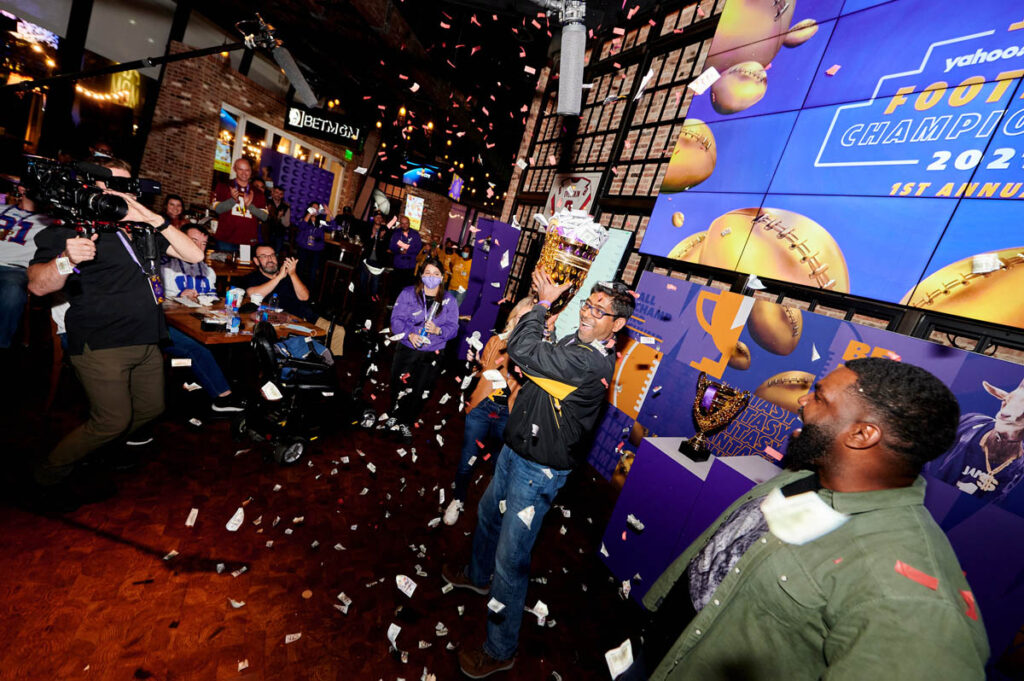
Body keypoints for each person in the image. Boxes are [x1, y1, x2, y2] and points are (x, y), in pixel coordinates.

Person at [633, 358, 989, 681]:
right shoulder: (812, 475)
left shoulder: (908, 595)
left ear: (862, 434)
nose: (803, 400)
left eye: (820, 396)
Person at [444, 274, 635, 678]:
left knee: (511, 561)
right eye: (588, 304)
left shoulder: (590, 362)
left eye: (600, 311)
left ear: (617, 324)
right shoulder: (577, 344)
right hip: (515, 452)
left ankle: (500, 649)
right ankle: (478, 578)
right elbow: (534, 365)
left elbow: (523, 351)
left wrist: (543, 305)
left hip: (537, 471)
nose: (588, 313)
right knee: (485, 516)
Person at [27, 157, 204, 510]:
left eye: (125, 185)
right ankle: (46, 476)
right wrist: (67, 260)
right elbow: (37, 286)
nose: (119, 193)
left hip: (147, 340)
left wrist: (154, 218)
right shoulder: (69, 229)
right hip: (102, 343)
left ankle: (93, 453)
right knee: (112, 420)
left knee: (152, 407)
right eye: (110, 184)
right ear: (91, 187)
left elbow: (194, 253)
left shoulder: (140, 229)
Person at [443, 297, 533, 526]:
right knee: (467, 460)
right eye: (521, 317)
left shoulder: (534, 353)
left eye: (530, 319)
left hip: (508, 414)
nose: (524, 322)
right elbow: (481, 371)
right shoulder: (496, 341)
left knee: (498, 466)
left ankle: (490, 511)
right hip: (483, 408)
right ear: (513, 318)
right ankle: (457, 499)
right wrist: (473, 363)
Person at [160, 225, 242, 412]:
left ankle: (204, 382)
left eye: (203, 243)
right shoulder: (163, 266)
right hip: (166, 325)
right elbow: (153, 302)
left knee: (227, 340)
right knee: (195, 348)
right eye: (193, 240)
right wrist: (180, 296)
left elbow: (212, 299)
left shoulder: (208, 271)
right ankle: (222, 398)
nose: (199, 247)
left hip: (197, 322)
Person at [385, 257, 459, 442]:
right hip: (408, 348)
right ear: (421, 275)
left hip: (432, 353)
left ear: (442, 277)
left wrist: (439, 330)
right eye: (428, 273)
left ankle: (406, 423)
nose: (432, 277)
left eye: (436, 274)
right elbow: (396, 320)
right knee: (398, 383)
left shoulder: (449, 300)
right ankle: (394, 415)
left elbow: (454, 327)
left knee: (420, 390)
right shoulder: (408, 293)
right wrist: (409, 334)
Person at [0, 183, 53, 351]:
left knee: (12, 291)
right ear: (22, 189)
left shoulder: (52, 221)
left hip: (14, 269)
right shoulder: (1, 208)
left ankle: (2, 344)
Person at [241, 244, 313, 321]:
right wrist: (279, 277)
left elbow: (304, 297)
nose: (270, 259)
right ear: (256, 261)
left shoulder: (290, 274)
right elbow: (252, 294)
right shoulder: (253, 277)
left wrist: (292, 274)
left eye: (272, 255)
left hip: (301, 319)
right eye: (264, 256)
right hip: (273, 321)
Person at [211, 158, 268, 252]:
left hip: (248, 240)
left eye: (247, 170)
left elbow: (264, 217)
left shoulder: (257, 192)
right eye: (240, 169)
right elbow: (218, 209)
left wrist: (249, 206)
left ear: (251, 171)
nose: (244, 173)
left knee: (244, 266)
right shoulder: (224, 186)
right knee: (223, 266)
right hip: (225, 238)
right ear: (234, 169)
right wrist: (233, 200)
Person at [388, 215, 422, 301]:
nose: (404, 225)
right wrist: (399, 250)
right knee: (395, 286)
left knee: (407, 288)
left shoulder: (415, 234)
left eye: (406, 223)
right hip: (398, 264)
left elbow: (418, 248)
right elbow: (391, 247)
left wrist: (408, 251)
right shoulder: (396, 233)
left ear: (409, 223)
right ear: (400, 224)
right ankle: (393, 304)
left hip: (410, 265)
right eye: (402, 223)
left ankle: (404, 305)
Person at [295, 201, 327, 290]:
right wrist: (309, 214)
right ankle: (297, 287)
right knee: (300, 268)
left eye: (317, 208)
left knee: (313, 271)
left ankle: (310, 290)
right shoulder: (304, 219)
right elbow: (301, 227)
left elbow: (334, 227)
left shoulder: (321, 222)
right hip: (304, 247)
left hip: (316, 249)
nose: (315, 210)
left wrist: (329, 214)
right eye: (313, 207)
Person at [264, 185, 291, 255]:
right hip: (266, 233)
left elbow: (287, 224)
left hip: (279, 235)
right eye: (276, 192)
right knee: (264, 253)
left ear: (282, 195)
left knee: (275, 254)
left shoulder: (286, 207)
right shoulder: (266, 202)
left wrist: (281, 217)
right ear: (272, 193)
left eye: (280, 194)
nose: (278, 195)